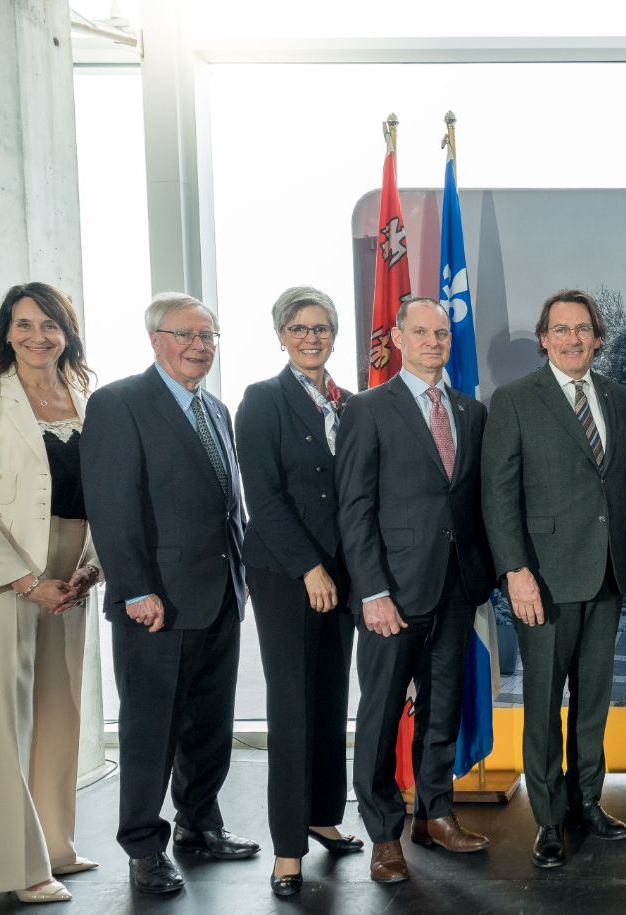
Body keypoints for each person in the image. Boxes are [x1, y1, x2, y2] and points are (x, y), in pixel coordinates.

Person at [81, 292, 258, 895]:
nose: (199, 346)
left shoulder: (218, 409)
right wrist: (133, 589)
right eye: (186, 335)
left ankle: (199, 825)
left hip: (220, 596)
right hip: (155, 602)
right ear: (156, 340)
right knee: (150, 730)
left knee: (209, 725)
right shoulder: (118, 403)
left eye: (208, 336)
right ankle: (142, 847)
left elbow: (226, 504)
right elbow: (110, 506)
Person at [0, 283, 100, 904]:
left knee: (61, 709)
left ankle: (56, 844)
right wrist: (28, 581)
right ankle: (18, 864)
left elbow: (103, 494)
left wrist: (91, 568)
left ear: (68, 332)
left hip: (72, 565)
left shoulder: (85, 397)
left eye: (51, 324)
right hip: (0, 570)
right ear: (6, 329)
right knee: (5, 719)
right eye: (25, 323)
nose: (39, 335)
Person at [336, 296, 496, 884]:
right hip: (392, 593)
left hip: (457, 586)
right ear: (398, 338)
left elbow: (473, 501)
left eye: (442, 333)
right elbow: (354, 509)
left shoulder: (470, 411)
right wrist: (372, 590)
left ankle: (435, 814)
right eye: (421, 331)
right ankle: (384, 834)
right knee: (379, 715)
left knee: (442, 709)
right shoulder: (368, 409)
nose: (434, 341)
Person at [482, 289, 626, 869]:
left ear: (597, 338)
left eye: (583, 329)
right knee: (545, 704)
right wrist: (515, 571)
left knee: (593, 702)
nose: (573, 339)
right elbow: (498, 495)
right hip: (542, 581)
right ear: (544, 339)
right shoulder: (515, 400)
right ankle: (548, 819)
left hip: (605, 576)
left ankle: (587, 802)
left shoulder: (621, 400)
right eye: (561, 329)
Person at [235, 287, 363, 897]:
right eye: (299, 327)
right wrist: (311, 569)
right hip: (288, 574)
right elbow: (262, 499)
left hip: (344, 573)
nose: (311, 337)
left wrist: (346, 571)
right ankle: (288, 849)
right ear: (281, 335)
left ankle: (322, 817)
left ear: (334, 334)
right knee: (291, 705)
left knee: (330, 697)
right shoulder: (262, 401)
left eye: (321, 327)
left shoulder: (354, 404)